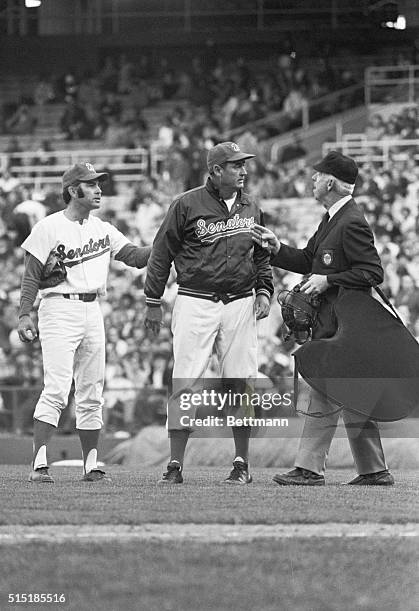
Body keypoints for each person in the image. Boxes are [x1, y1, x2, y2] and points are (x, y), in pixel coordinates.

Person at [252, 150, 394, 486]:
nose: (313, 180)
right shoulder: (332, 218)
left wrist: (329, 280)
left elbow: (373, 272)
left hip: (346, 322)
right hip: (336, 323)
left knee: (324, 390)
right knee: (351, 395)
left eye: (317, 176)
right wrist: (277, 248)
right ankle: (374, 470)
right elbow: (307, 260)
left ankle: (310, 469)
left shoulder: (352, 221)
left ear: (330, 180)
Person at [144, 141, 273, 484]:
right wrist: (153, 300)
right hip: (195, 299)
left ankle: (242, 464)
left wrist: (264, 290)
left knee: (241, 381)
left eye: (243, 164)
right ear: (216, 171)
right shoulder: (186, 204)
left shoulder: (252, 207)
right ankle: (175, 465)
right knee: (185, 381)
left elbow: (261, 255)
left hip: (240, 301)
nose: (243, 170)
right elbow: (161, 253)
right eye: (235, 165)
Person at [17, 162, 151, 483]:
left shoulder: (102, 228)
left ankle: (91, 464)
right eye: (91, 185)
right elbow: (31, 275)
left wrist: (165, 245)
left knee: (92, 390)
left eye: (98, 184)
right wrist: (24, 314)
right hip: (58, 308)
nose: (98, 189)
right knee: (58, 389)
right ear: (73, 190)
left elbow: (133, 256)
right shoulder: (48, 227)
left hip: (93, 310)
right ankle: (39, 463)